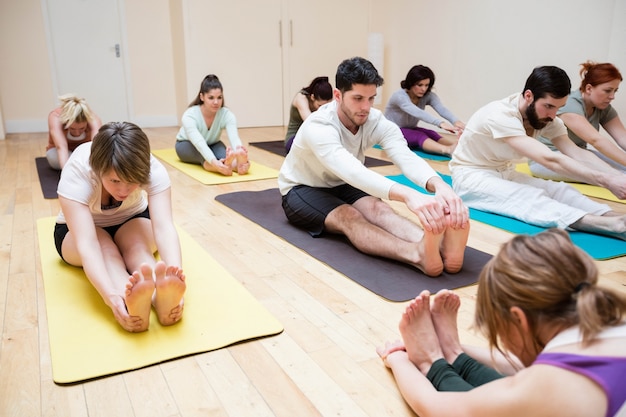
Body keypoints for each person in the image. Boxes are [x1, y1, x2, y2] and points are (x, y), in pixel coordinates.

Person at [377, 228, 626, 417]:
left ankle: (432, 362)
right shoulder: (611, 326)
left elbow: (438, 408)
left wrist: (400, 359)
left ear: (518, 318)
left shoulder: (552, 385)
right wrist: (453, 347)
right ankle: (451, 353)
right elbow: (529, 370)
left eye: (499, 331)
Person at [278, 57, 470, 277]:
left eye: (371, 98)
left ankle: (439, 246)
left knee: (379, 209)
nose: (366, 107)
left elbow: (404, 155)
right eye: (358, 98)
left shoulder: (374, 119)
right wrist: (408, 195)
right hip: (302, 188)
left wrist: (439, 185)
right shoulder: (319, 125)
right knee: (349, 216)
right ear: (338, 96)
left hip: (342, 183)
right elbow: (352, 170)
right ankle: (417, 254)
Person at [449, 65, 626, 240]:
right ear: (529, 96)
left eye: (559, 107)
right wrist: (605, 180)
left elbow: (576, 152)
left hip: (505, 172)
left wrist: (616, 177)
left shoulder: (550, 119)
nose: (553, 115)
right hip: (470, 177)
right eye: (548, 106)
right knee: (529, 197)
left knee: (560, 190)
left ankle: (611, 216)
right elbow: (549, 159)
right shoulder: (500, 114)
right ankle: (613, 226)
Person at [55, 121, 186, 332]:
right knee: (106, 252)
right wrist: (110, 298)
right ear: (98, 169)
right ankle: (127, 299)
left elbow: (164, 228)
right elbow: (87, 245)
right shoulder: (78, 170)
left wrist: (175, 275)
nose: (124, 190)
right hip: (79, 231)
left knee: (137, 249)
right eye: (115, 181)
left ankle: (159, 297)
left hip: (132, 218)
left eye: (132, 181)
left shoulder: (151, 167)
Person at [529, 61, 626, 182]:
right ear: (589, 88)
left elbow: (622, 138)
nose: (612, 96)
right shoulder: (570, 104)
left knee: (622, 170)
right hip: (548, 159)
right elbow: (596, 140)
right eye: (608, 90)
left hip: (580, 154)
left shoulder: (603, 108)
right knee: (617, 176)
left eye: (615, 91)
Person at [175, 74, 249, 176]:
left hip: (213, 143)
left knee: (225, 156)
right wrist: (215, 164)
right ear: (202, 97)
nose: (216, 102)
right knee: (203, 155)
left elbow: (234, 137)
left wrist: (239, 151)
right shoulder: (189, 116)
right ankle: (217, 168)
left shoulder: (226, 114)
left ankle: (238, 166)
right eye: (211, 98)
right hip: (187, 145)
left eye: (219, 97)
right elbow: (199, 143)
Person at [385, 65, 465, 156]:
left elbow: (441, 108)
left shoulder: (428, 96)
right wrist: (440, 123)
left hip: (409, 129)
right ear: (411, 83)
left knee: (431, 133)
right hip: (391, 131)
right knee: (419, 136)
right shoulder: (399, 96)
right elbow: (417, 112)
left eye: (426, 85)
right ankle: (448, 150)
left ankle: (459, 149)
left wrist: (456, 121)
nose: (423, 89)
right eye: (420, 85)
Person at [46, 94, 102, 170]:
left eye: (82, 128)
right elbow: (61, 147)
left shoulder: (92, 118)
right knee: (54, 159)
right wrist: (66, 174)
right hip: (60, 152)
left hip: (84, 151)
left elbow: (95, 146)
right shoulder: (55, 117)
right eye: (72, 129)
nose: (77, 133)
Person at [284, 76, 333, 152]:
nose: (322, 109)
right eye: (319, 106)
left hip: (312, 138)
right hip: (294, 138)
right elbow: (310, 122)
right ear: (312, 97)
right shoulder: (301, 98)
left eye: (326, 106)